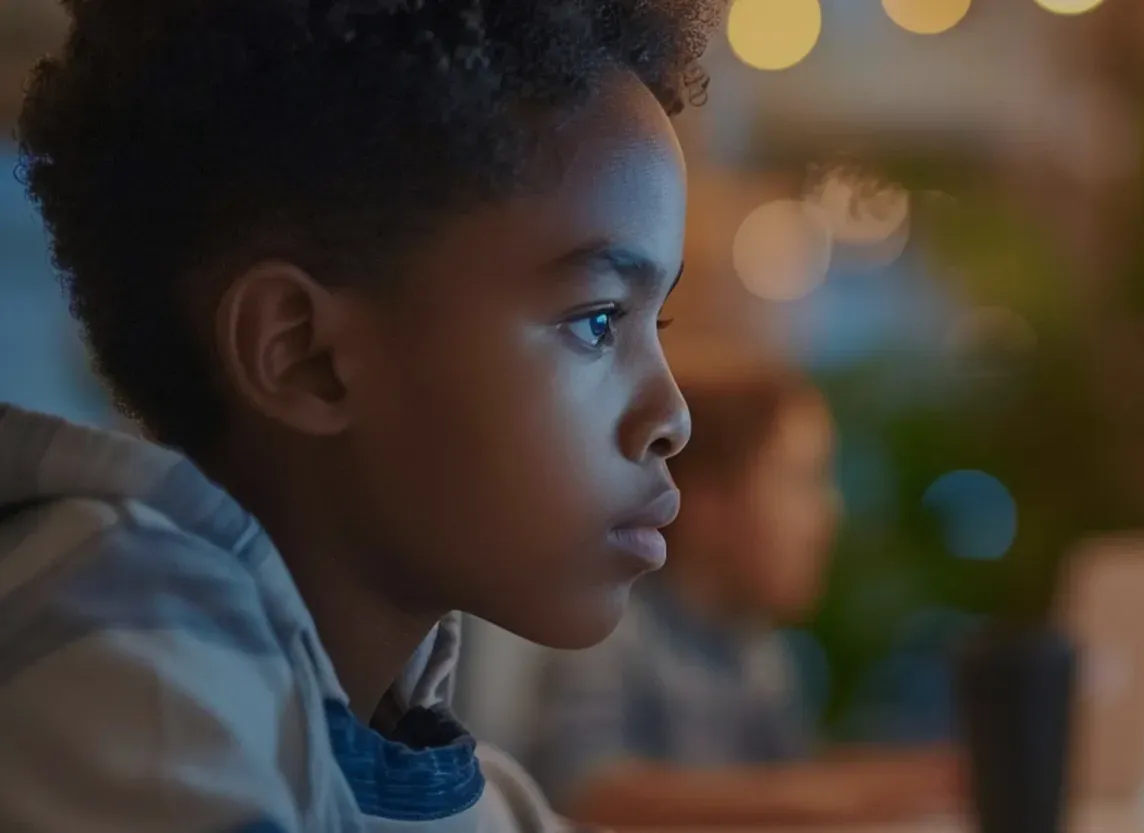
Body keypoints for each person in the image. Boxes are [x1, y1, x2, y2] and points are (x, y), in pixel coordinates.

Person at [0, 0, 720, 830]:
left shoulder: (442, 772)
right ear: (304, 353)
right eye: (597, 321)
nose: (672, 417)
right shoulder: (125, 668)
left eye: (653, 323)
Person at [527, 368, 961, 828]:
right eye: (802, 480)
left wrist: (912, 780)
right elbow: (584, 794)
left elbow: (782, 777)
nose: (831, 513)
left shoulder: (759, 650)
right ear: (705, 504)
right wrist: (836, 798)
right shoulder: (610, 631)